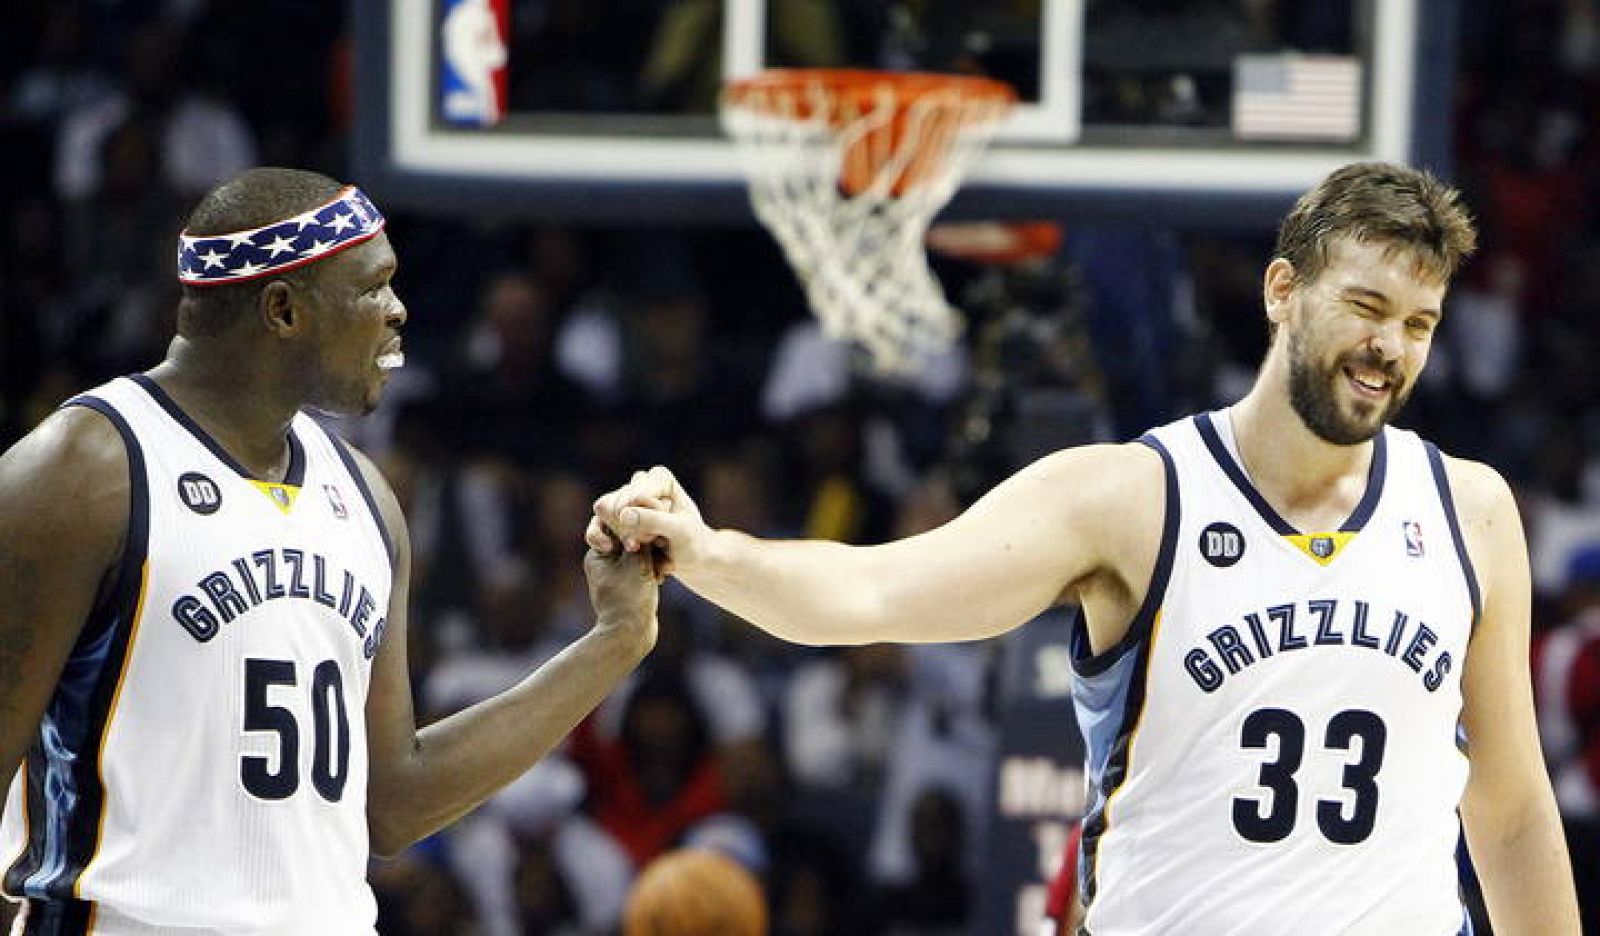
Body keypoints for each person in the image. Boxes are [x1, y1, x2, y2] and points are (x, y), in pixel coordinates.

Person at [591, 162, 1582, 934]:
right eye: (1364, 307)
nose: (1389, 348)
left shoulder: (1471, 510)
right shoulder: (1130, 498)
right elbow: (871, 593)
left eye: (1418, 323)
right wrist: (709, 552)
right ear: (1282, 290)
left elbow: (1509, 811)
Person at [0, 167, 660, 934]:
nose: (398, 310)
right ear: (283, 309)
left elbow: (396, 803)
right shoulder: (81, 472)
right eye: (373, 287)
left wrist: (615, 642)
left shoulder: (367, 497)